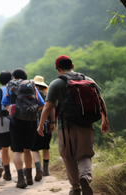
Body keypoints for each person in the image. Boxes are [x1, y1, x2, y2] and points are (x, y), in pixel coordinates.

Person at [37, 55, 109, 195]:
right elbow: (100, 100)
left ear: (58, 69)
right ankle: (85, 178)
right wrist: (105, 119)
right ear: (73, 66)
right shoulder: (88, 80)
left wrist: (41, 126)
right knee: (85, 155)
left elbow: (48, 106)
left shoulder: (55, 83)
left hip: (66, 127)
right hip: (87, 125)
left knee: (68, 157)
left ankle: (76, 188)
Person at [1, 68, 45, 189]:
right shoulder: (32, 86)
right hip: (31, 122)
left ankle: (21, 179)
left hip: (16, 122)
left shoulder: (11, 86)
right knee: (28, 150)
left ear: (14, 77)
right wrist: (33, 113)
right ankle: (29, 177)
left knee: (17, 151)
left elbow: (4, 104)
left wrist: (14, 112)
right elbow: (41, 104)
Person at [31, 75, 55, 181]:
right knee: (46, 146)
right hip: (48, 123)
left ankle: (38, 168)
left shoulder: (33, 94)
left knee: (34, 148)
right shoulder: (48, 94)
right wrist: (53, 122)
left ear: (35, 85)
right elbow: (52, 109)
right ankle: (46, 170)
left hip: (35, 124)